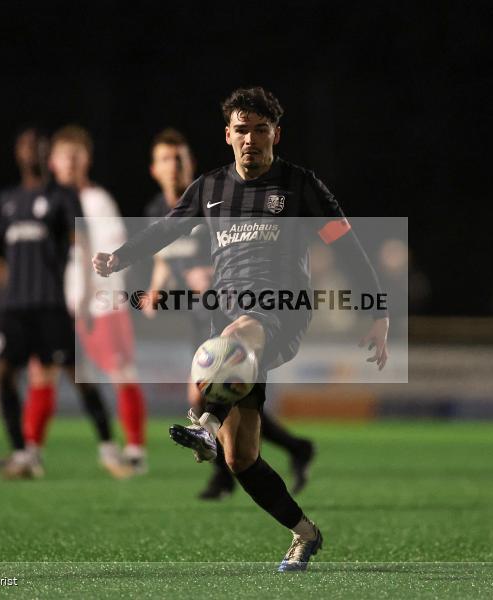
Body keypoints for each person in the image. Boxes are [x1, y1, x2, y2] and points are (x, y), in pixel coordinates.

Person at [94, 87, 389, 571]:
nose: (250, 139)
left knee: (241, 334)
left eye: (260, 129)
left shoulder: (301, 186)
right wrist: (119, 258)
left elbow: (348, 247)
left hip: (282, 312)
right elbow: (166, 230)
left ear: (276, 133)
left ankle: (204, 423)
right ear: (228, 135)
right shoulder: (209, 188)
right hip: (227, 319)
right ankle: (304, 532)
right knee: (242, 458)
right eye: (242, 130)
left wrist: (378, 312)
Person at [144, 127, 315, 500]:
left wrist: (211, 274)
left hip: (232, 309)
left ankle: (223, 474)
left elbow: (239, 248)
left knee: (210, 392)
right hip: (198, 313)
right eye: (165, 160)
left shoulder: (212, 200)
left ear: (189, 163)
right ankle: (291, 448)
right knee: (225, 394)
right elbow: (164, 256)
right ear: (154, 169)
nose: (174, 167)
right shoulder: (157, 211)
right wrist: (157, 289)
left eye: (180, 159)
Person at [0, 126, 126, 480]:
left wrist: (82, 297)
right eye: (25, 145)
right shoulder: (7, 199)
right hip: (15, 306)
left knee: (78, 377)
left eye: (39, 146)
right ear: (18, 153)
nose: (31, 151)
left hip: (51, 303)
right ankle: (24, 453)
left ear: (46, 155)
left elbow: (81, 246)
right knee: (5, 373)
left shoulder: (64, 197)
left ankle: (108, 446)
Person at [51, 124, 149, 475]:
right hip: (64, 305)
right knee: (46, 372)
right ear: (52, 162)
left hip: (100, 305)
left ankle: (135, 450)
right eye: (63, 157)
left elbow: (110, 255)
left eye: (75, 157)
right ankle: (30, 450)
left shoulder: (97, 201)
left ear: (86, 160)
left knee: (121, 372)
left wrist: (95, 297)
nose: (69, 164)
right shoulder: (51, 202)